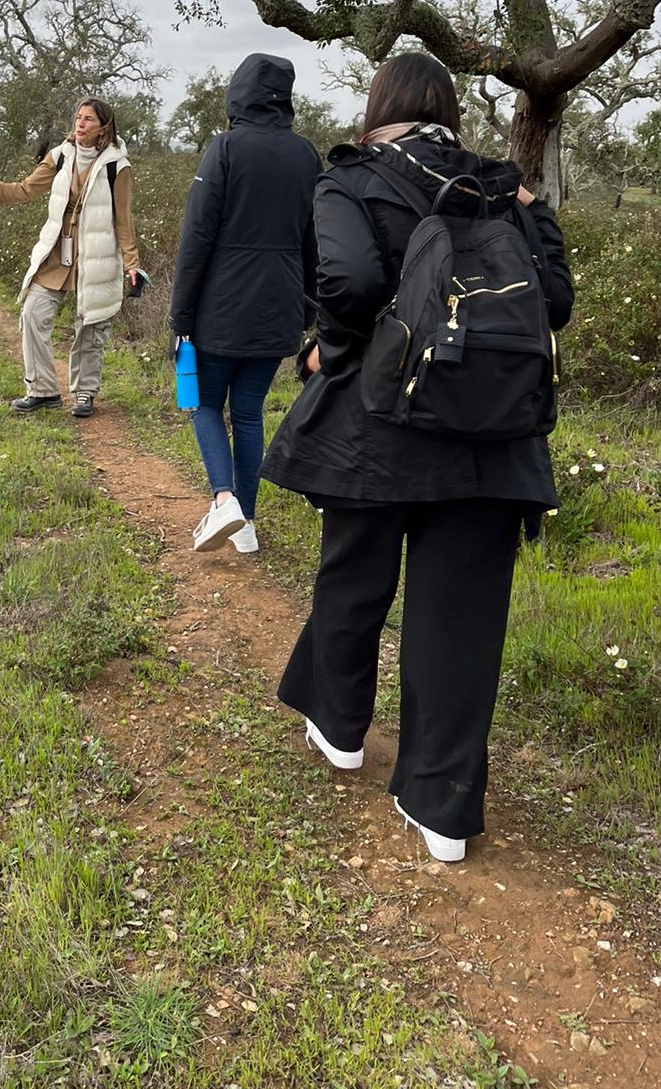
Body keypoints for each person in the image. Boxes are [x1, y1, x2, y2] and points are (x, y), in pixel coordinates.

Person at [261, 54, 573, 862]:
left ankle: (339, 730)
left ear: (379, 107)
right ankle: (441, 811)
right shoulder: (503, 188)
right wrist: (533, 212)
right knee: (462, 621)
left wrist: (330, 349)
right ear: (450, 114)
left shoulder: (354, 177)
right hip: (493, 440)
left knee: (354, 576)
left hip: (379, 429)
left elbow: (351, 281)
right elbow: (558, 303)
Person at [169, 54, 320, 554]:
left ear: (239, 93)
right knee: (250, 412)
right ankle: (247, 525)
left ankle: (224, 499)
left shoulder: (226, 148)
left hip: (222, 305)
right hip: (280, 305)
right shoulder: (306, 155)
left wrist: (181, 316)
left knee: (206, 403)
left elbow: (197, 238)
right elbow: (312, 241)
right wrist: (309, 310)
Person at [0, 98, 141, 418]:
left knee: (90, 326)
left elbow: (123, 220)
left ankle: (85, 393)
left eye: (88, 120)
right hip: (56, 252)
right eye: (78, 118)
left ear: (103, 127)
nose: (80, 124)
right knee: (32, 312)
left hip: (95, 257)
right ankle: (42, 391)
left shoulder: (116, 167)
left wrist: (132, 264)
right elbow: (25, 189)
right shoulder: (60, 155)